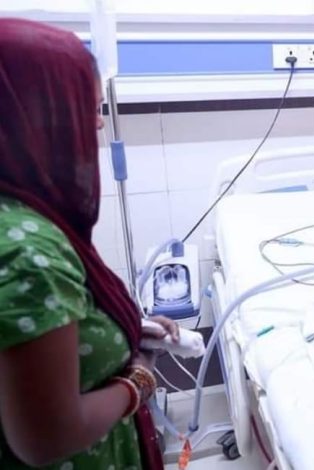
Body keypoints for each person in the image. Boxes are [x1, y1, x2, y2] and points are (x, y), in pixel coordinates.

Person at [0, 19, 175, 469]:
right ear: (33, 113)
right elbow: (47, 436)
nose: (97, 123)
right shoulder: (28, 254)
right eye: (86, 106)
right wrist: (139, 380)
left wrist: (122, 327)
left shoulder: (16, 214)